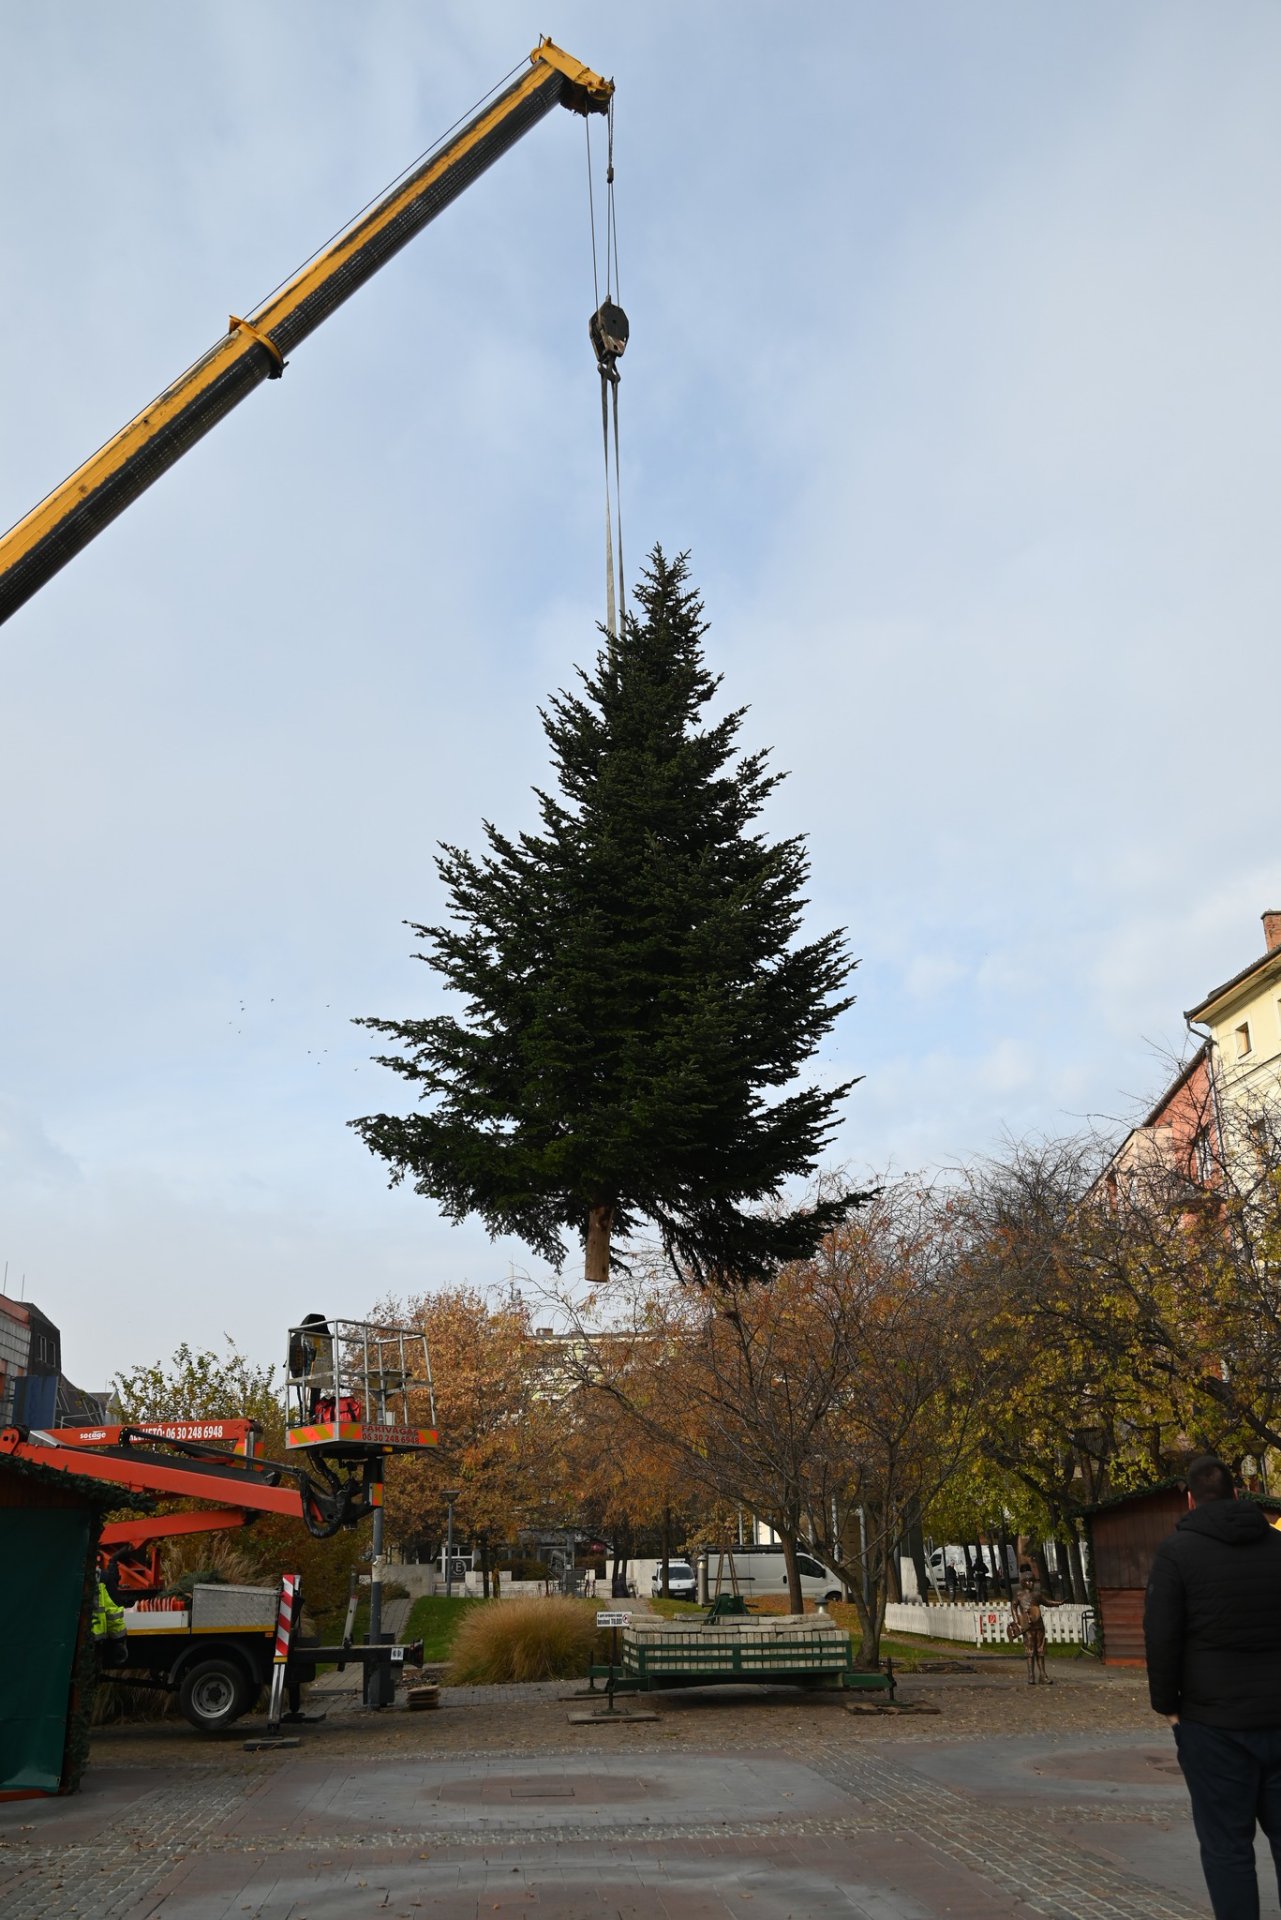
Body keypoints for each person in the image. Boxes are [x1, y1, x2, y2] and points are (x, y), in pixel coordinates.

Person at [1144, 1453, 1281, 1920]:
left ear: (1189, 1499)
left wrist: (1168, 1707)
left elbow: (1161, 1636)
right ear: (1239, 1495)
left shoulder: (1176, 1555)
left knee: (1227, 1848)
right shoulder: (1277, 1547)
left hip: (1213, 1725)